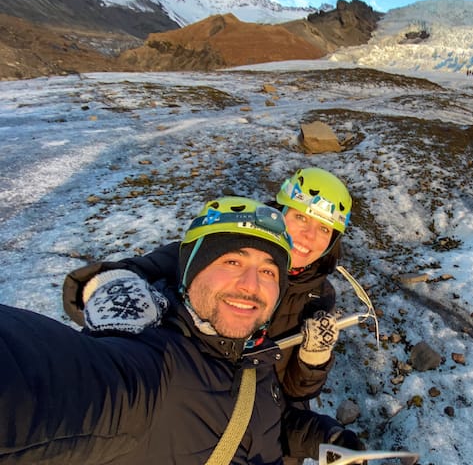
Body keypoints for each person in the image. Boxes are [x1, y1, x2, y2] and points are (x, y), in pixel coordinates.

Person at [0, 196, 379, 465]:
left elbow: (264, 421)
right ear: (190, 269)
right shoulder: (153, 364)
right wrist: (109, 288)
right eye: (232, 261)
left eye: (268, 272)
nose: (251, 285)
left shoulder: (251, 359)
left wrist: (333, 439)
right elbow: (52, 384)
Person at [62, 167, 353, 404]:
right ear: (278, 213)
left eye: (324, 229)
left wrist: (313, 359)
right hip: (184, 406)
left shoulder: (319, 296)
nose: (307, 236)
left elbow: (294, 395)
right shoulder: (216, 250)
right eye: (300, 217)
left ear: (332, 242)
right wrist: (116, 296)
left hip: (260, 427)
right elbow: (121, 275)